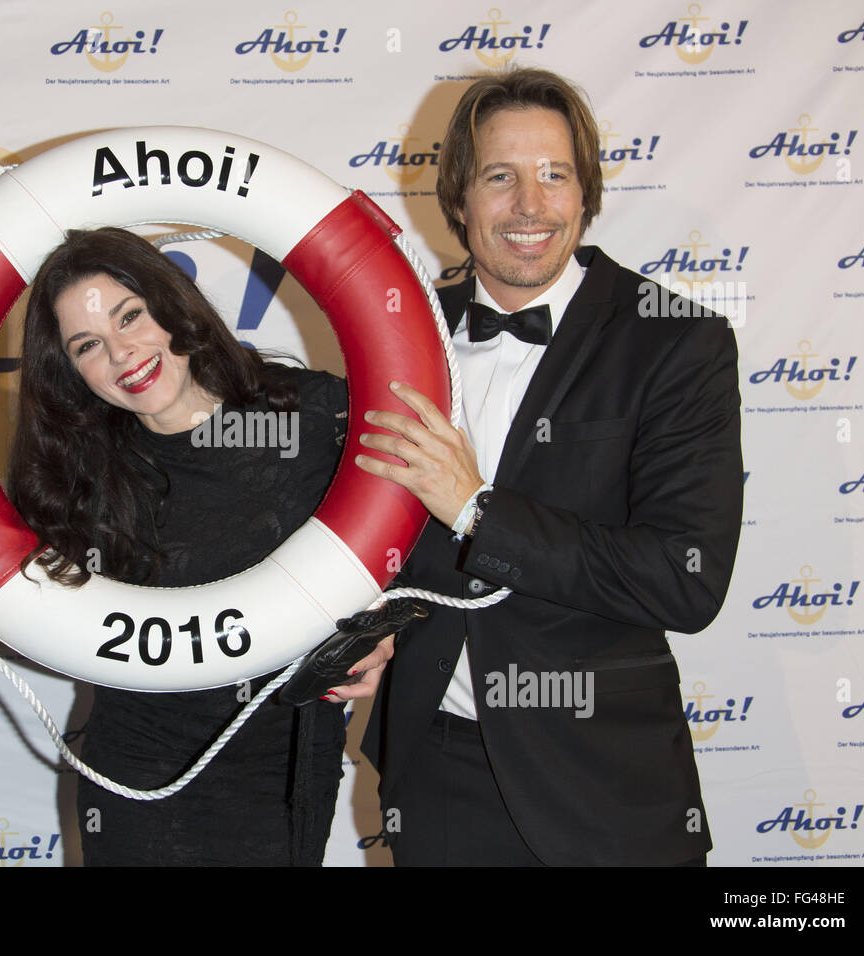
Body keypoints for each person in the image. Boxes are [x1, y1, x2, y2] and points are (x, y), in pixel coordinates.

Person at [340, 67, 743, 865]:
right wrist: (366, 627)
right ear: (457, 198)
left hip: (604, 785)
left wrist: (477, 511)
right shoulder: (402, 332)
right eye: (501, 177)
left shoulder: (675, 343)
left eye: (555, 175)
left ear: (586, 194)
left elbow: (684, 581)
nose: (531, 204)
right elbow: (374, 529)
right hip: (436, 773)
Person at [0, 227, 353, 866]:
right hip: (137, 770)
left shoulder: (312, 415)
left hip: (286, 763)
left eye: (131, 317)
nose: (123, 353)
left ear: (173, 306)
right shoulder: (76, 474)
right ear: (71, 371)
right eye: (88, 346)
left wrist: (386, 630)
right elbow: (11, 617)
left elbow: (415, 542)